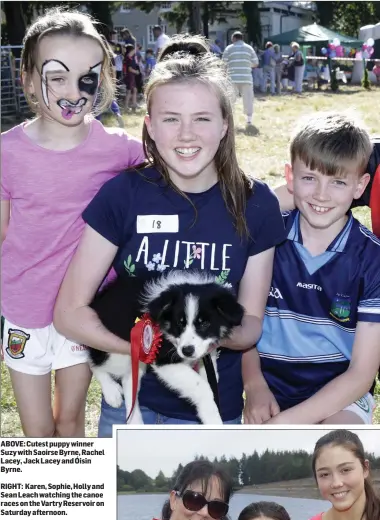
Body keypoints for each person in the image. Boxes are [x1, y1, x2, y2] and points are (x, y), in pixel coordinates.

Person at [53, 44, 285, 435]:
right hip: (131, 409)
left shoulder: (255, 202)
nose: (186, 134)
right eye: (171, 119)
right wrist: (149, 352)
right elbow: (69, 313)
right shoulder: (123, 194)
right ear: (149, 125)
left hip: (214, 411)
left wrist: (202, 341)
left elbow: (251, 325)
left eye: (202, 118)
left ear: (226, 123)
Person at [0, 8, 144, 437]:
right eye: (57, 76)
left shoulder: (120, 149)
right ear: (27, 78)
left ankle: (75, 505)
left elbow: (179, 168)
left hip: (82, 311)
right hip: (23, 313)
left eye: (87, 76)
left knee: (69, 420)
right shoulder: (6, 152)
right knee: (38, 430)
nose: (73, 91)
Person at [243, 112, 380, 426]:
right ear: (289, 177)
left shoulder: (372, 260)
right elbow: (241, 322)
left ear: (360, 186)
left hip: (341, 395)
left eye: (338, 182)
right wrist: (253, 384)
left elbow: (360, 375)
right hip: (270, 388)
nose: (321, 194)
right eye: (309, 178)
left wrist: (285, 425)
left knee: (341, 444)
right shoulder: (266, 238)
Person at [222, 31, 258, 125]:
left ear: (234, 38)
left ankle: (230, 119)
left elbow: (223, 63)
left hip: (232, 78)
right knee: (248, 99)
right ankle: (249, 119)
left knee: (231, 99)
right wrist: (246, 65)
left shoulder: (229, 48)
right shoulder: (249, 48)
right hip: (246, 78)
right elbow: (255, 63)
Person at [123, 44, 139, 111]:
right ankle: (126, 106)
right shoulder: (128, 57)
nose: (134, 51)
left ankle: (134, 104)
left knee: (135, 90)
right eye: (133, 50)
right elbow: (129, 69)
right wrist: (136, 72)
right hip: (129, 76)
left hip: (132, 76)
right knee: (129, 91)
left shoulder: (132, 57)